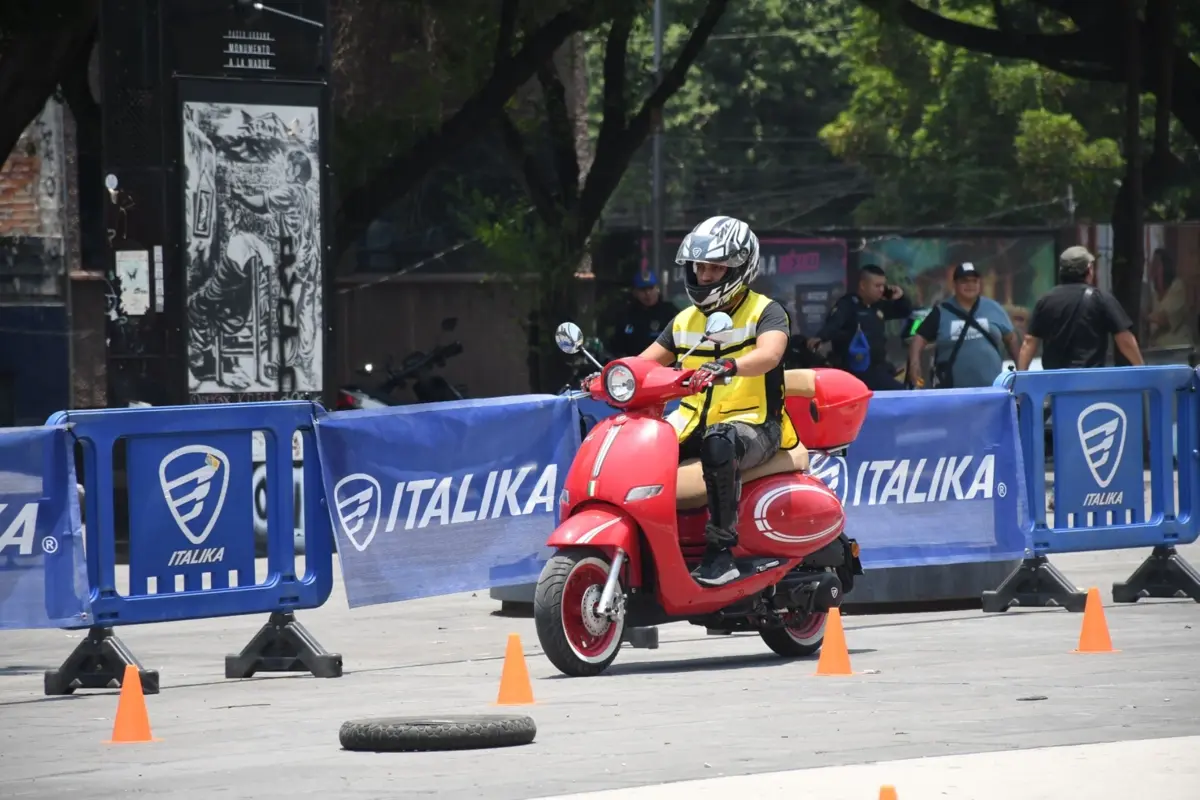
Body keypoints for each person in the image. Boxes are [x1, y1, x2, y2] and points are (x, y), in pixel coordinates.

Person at [630, 215, 799, 587]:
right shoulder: (685, 321)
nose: (705, 275)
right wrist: (611, 375)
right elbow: (644, 363)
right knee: (633, 447)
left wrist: (730, 364)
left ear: (740, 267)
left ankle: (721, 553)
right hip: (691, 422)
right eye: (700, 266)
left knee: (719, 442)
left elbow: (770, 355)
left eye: (716, 266)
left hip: (756, 425)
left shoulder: (766, 312)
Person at [1018, 246, 1144, 371]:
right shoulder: (1100, 299)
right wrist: (1142, 369)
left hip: (1054, 382)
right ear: (1089, 270)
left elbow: (1029, 342)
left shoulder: (1045, 301)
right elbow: (1124, 339)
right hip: (1089, 381)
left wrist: (1020, 378)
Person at [906, 262, 1022, 388]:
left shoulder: (994, 308)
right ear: (954, 284)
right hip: (953, 393)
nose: (970, 285)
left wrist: (1021, 371)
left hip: (992, 391)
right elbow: (919, 338)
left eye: (974, 281)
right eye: (965, 281)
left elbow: (1011, 339)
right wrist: (914, 364)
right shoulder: (941, 312)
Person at [806, 264, 912, 391]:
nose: (881, 290)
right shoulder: (848, 304)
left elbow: (904, 311)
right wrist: (821, 337)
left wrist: (900, 298)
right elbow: (834, 323)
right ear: (863, 285)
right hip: (854, 369)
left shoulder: (878, 306)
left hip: (877, 368)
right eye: (877, 286)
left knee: (900, 392)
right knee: (897, 393)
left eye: (883, 285)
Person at [601, 269, 679, 358]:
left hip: (665, 367)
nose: (648, 293)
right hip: (634, 368)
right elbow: (617, 347)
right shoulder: (627, 315)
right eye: (643, 290)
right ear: (635, 292)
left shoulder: (670, 312)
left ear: (657, 289)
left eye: (651, 288)